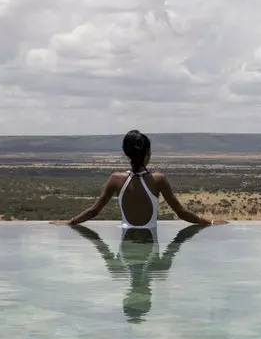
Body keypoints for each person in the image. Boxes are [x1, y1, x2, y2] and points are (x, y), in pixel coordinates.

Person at [52, 130, 225, 228]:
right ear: (148, 154)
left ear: (127, 153)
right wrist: (209, 222)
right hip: (150, 242)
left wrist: (70, 222)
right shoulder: (159, 180)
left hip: (126, 245)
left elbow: (94, 211)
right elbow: (181, 213)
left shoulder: (115, 179)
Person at [68, 222, 208, 322]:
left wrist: (72, 224)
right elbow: (178, 240)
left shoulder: (118, 269)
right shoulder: (159, 268)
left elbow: (98, 241)